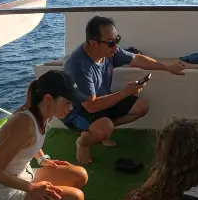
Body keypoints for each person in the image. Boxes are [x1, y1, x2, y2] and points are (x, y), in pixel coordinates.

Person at [62, 15, 189, 165]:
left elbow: (136, 59)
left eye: (117, 40)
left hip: (100, 101)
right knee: (104, 129)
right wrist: (124, 93)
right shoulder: (79, 67)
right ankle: (83, 142)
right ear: (93, 43)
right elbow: (91, 106)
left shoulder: (109, 52)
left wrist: (167, 67)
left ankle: (102, 128)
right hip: (76, 111)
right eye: (111, 43)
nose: (115, 46)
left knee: (141, 107)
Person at [0, 71, 89, 200]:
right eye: (68, 102)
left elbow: (30, 144)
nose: (71, 107)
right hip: (2, 192)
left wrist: (42, 159)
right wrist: (32, 189)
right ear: (48, 99)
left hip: (25, 175)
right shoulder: (24, 124)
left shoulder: (42, 113)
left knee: (79, 175)